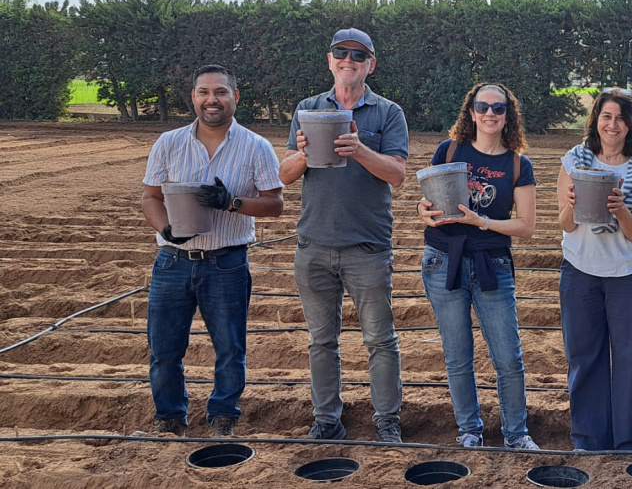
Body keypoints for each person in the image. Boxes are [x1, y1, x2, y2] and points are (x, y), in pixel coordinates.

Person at [140, 64, 284, 437]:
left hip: (226, 262)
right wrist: (166, 230)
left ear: (235, 97)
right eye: (204, 92)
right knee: (165, 349)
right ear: (193, 98)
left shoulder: (256, 146)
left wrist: (230, 202)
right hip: (172, 261)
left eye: (220, 92)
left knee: (229, 348)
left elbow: (275, 204)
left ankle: (223, 417)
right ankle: (169, 418)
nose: (212, 100)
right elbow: (151, 196)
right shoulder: (169, 143)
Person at [279, 28, 409, 443]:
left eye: (358, 55)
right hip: (313, 245)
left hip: (366, 248)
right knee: (321, 341)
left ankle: (387, 422)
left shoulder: (388, 113)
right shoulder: (307, 109)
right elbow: (283, 175)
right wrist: (303, 153)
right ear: (330, 60)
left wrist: (360, 150)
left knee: (380, 340)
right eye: (341, 53)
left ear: (370, 64)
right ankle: (327, 420)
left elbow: (398, 176)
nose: (348, 60)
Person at [417, 83, 540, 450]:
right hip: (443, 261)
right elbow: (428, 206)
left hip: (493, 263)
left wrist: (481, 222)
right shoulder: (449, 150)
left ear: (508, 116)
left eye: (498, 108)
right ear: (471, 112)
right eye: (482, 107)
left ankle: (517, 434)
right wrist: (422, 212)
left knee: (508, 355)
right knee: (458, 354)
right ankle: (469, 430)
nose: (490, 114)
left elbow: (527, 227)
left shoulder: (518, 163)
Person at [557, 89, 632, 451]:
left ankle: (629, 442)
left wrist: (620, 208)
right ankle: (589, 440)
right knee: (584, 358)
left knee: (628, 360)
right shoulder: (574, 162)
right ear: (596, 121)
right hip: (580, 273)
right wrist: (574, 203)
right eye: (606, 116)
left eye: (620, 117)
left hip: (629, 276)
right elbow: (566, 225)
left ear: (631, 124)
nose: (613, 124)